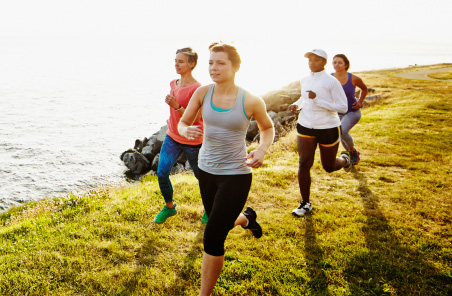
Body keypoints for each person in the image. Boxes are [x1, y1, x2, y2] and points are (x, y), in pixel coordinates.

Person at [178, 42, 275, 296]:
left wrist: (262, 150)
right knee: (220, 221)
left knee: (212, 237)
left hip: (236, 174)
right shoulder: (202, 93)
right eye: (211, 62)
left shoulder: (250, 100)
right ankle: (246, 219)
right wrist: (185, 130)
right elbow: (182, 123)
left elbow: (267, 128)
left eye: (220, 63)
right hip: (207, 171)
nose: (214, 67)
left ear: (235, 67)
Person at [288, 49, 351, 217]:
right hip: (305, 125)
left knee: (328, 167)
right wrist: (297, 105)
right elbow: (305, 98)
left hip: (327, 128)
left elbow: (343, 107)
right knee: (304, 163)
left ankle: (345, 160)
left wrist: (318, 100)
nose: (311, 62)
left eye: (316, 60)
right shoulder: (305, 79)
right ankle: (305, 203)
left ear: (324, 62)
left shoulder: (331, 82)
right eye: (309, 59)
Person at [154, 47, 207, 224]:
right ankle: (169, 208)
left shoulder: (197, 88)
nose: (176, 64)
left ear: (191, 64)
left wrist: (176, 105)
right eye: (175, 60)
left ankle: (210, 209)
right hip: (172, 137)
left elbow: (197, 117)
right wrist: (173, 105)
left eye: (181, 61)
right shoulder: (173, 83)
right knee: (162, 173)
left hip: (192, 140)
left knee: (201, 177)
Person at [332, 54, 368, 165]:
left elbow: (364, 89)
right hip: (337, 113)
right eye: (334, 62)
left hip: (352, 111)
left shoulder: (354, 78)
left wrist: (360, 101)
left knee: (341, 131)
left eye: (340, 62)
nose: (336, 65)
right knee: (339, 133)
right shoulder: (330, 78)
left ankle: (353, 152)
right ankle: (351, 154)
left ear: (346, 65)